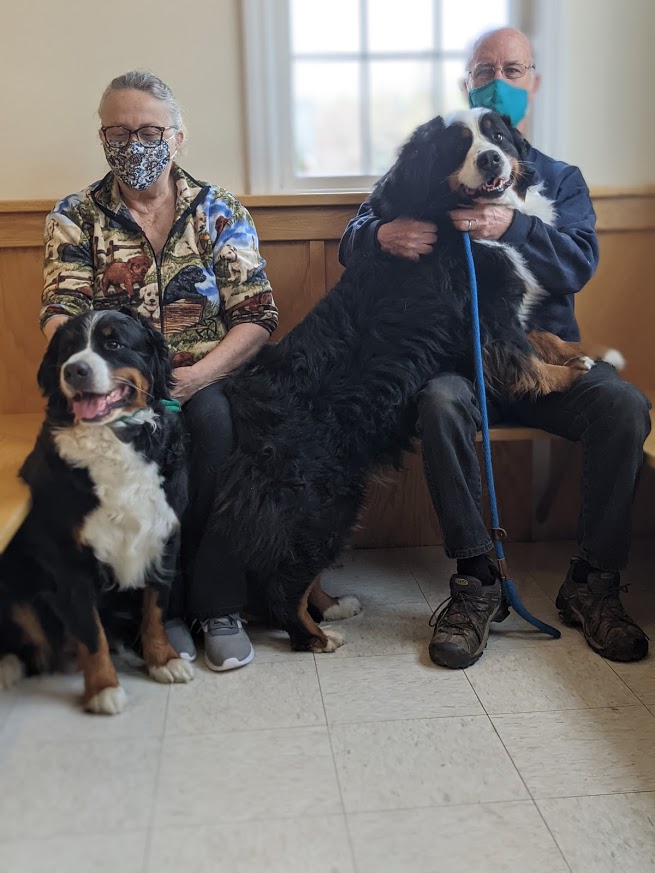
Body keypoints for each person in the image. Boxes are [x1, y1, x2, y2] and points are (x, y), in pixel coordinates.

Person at [339, 28, 651, 669]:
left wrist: (515, 224)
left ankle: (594, 582)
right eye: (486, 69)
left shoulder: (561, 180)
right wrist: (378, 236)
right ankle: (477, 579)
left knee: (625, 407)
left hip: (550, 362)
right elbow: (358, 230)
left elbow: (579, 265)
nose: (499, 79)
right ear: (466, 83)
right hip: (462, 367)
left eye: (514, 68)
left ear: (533, 81)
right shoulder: (435, 166)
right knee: (437, 401)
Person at [40, 70, 278, 672]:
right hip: (112, 388)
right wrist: (102, 381)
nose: (133, 143)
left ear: (177, 138)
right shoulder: (75, 216)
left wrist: (196, 378)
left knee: (214, 425)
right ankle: (159, 606)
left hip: (208, 374)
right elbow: (59, 316)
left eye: (148, 130)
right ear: (101, 138)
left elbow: (257, 314)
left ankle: (217, 605)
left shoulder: (218, 211)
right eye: (117, 131)